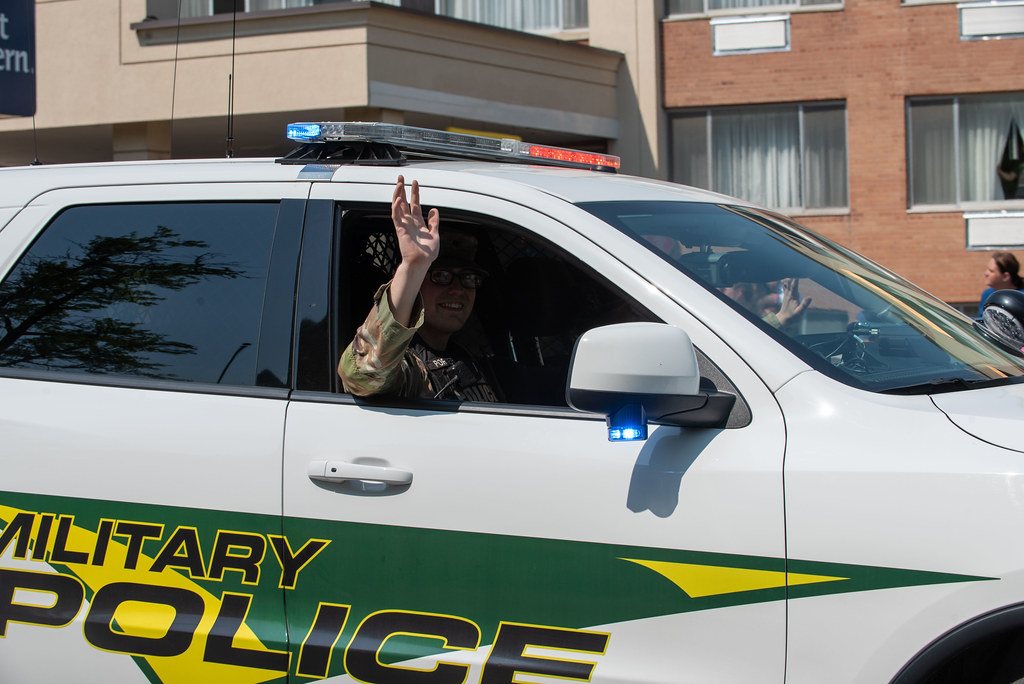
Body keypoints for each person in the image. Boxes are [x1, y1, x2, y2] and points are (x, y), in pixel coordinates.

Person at [338, 175, 500, 402]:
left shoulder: (469, 358)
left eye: (468, 278)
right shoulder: (411, 370)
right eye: (442, 276)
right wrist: (414, 266)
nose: (458, 290)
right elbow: (363, 374)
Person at [978, 251, 1024, 318]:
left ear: (1005, 276)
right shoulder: (987, 294)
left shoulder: (1021, 297)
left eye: (991, 271)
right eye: (987, 269)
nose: (986, 273)